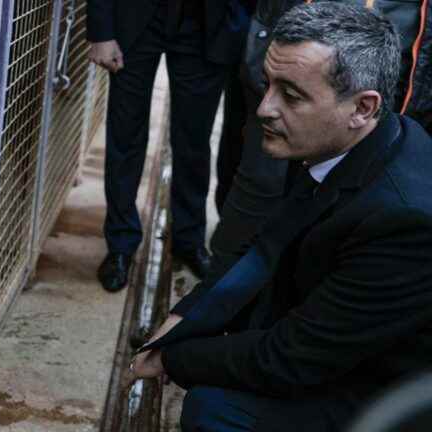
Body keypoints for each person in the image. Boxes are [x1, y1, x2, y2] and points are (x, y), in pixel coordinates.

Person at [129, 3, 432, 431]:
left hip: (396, 400)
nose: (264, 108)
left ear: (363, 106)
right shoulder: (357, 138)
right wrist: (188, 318)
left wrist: (172, 357)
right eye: (267, 84)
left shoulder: (406, 222)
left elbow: (287, 359)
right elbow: (267, 247)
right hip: (353, 351)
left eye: (291, 95)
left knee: (213, 410)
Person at [210, 0, 432, 274]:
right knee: (261, 185)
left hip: (388, 107)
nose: (266, 108)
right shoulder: (278, 91)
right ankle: (224, 278)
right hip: (293, 71)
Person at [86, 0, 255, 291]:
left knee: (194, 141)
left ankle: (189, 240)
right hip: (135, 21)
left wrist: (241, 23)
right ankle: (120, 245)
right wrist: (101, 31)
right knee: (124, 137)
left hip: (207, 26)